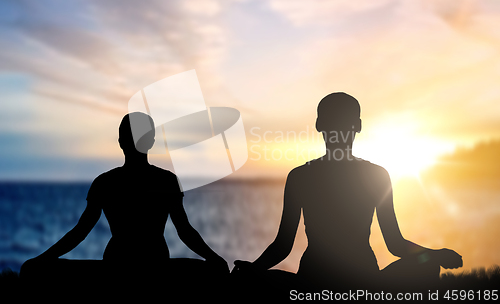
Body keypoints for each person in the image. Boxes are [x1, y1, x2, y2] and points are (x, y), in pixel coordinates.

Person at [233, 92, 462, 291]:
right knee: (428, 264)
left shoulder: (301, 176)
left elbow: (282, 247)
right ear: (358, 125)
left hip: (314, 281)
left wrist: (253, 270)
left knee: (254, 281)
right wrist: (434, 254)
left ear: (318, 125)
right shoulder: (376, 175)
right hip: (363, 280)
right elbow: (395, 244)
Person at [21, 112, 228, 295]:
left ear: (121, 141)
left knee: (43, 270)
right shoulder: (166, 180)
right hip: (154, 265)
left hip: (118, 265)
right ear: (150, 142)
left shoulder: (105, 182)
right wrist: (214, 258)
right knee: (209, 269)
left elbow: (80, 232)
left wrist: (43, 258)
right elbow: (184, 230)